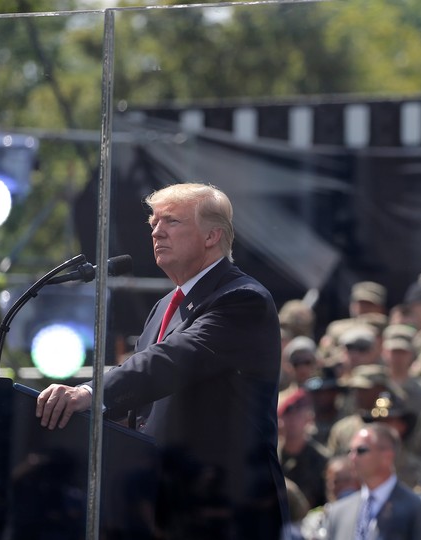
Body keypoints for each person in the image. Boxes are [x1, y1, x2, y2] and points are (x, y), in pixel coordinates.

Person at [34, 182, 288, 538]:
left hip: (227, 510)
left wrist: (90, 393)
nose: (156, 231)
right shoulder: (163, 308)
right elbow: (144, 404)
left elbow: (169, 361)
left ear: (212, 235)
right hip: (165, 508)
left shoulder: (241, 299)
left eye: (171, 221)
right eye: (153, 222)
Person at [322, 423, 421, 540]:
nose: (352, 457)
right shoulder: (338, 511)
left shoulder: (418, 507)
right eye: (350, 451)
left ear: (387, 455)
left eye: (361, 450)